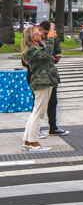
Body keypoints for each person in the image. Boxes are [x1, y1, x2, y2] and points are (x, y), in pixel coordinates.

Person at [21, 24, 59, 152]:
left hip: (45, 82)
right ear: (30, 36)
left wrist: (52, 35)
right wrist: (50, 39)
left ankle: (27, 141)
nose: (40, 34)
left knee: (35, 113)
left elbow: (50, 53)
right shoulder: (30, 50)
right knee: (39, 114)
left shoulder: (38, 46)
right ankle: (34, 142)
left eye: (40, 32)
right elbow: (46, 55)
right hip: (41, 83)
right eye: (37, 33)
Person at [37, 21, 68, 137]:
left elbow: (55, 52)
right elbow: (45, 55)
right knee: (39, 105)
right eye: (51, 30)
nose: (53, 32)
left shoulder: (49, 39)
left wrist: (54, 39)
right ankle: (36, 129)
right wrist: (50, 40)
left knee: (53, 102)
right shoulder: (36, 41)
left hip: (50, 76)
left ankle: (53, 127)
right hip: (40, 78)